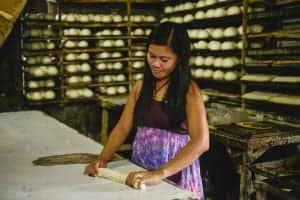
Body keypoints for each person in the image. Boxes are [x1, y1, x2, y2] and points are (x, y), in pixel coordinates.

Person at [84, 21, 209, 200]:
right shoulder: (140, 87)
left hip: (175, 172)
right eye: (152, 56)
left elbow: (201, 142)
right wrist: (103, 158)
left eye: (164, 60)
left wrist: (160, 173)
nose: (156, 64)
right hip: (142, 167)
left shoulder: (189, 92)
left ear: (179, 59)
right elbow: (122, 127)